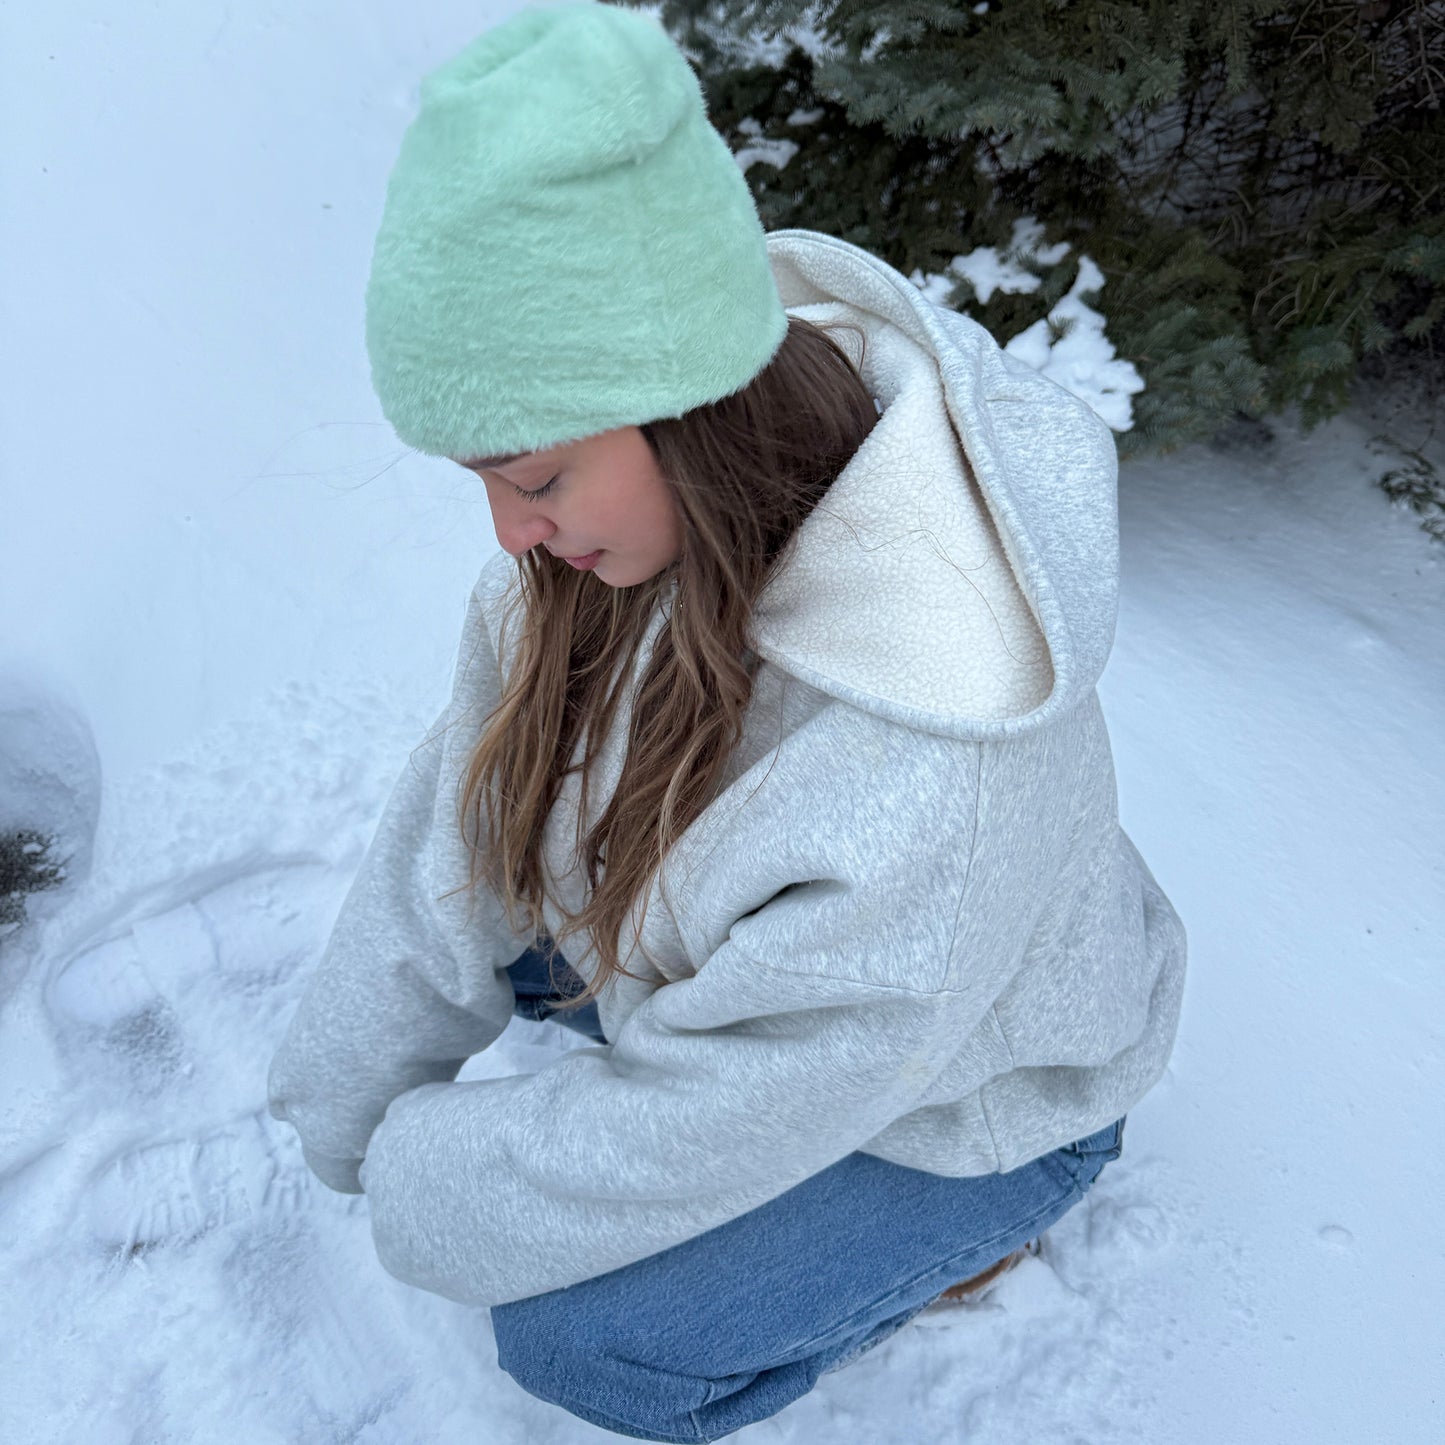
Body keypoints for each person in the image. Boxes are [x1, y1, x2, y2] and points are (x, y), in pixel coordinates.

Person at [266, 3, 1187, 1440]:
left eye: (536, 474)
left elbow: (733, 1094)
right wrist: (340, 1101)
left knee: (589, 1343)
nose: (508, 532)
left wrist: (436, 1179)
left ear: (680, 406)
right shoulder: (600, 556)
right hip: (795, 996)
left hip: (963, 1100)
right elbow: (457, 820)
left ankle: (973, 1236)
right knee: (524, 895)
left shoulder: (929, 739)